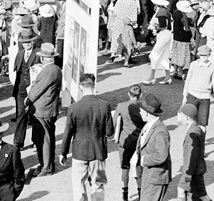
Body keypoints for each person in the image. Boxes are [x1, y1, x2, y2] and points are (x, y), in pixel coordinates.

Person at [60, 73, 114, 201]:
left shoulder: (74, 107)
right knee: (98, 185)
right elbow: (109, 132)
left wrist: (63, 152)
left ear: (80, 86)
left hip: (79, 152)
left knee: (79, 186)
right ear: (94, 85)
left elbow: (68, 132)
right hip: (98, 152)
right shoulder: (104, 105)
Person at [25, 43, 62, 176]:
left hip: (42, 110)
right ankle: (48, 165)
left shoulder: (47, 71)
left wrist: (28, 100)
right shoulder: (56, 69)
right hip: (50, 108)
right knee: (48, 138)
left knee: (43, 140)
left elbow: (36, 91)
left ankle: (46, 167)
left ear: (43, 58)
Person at [136, 94, 172, 201]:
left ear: (147, 114)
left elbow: (161, 155)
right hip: (148, 175)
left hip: (156, 178)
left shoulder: (161, 131)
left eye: (141, 111)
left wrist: (143, 160)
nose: (140, 112)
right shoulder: (148, 125)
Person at [113, 85, 145, 200]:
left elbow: (115, 123)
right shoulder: (143, 107)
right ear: (140, 95)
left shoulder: (121, 106)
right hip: (139, 142)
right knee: (138, 168)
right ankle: (141, 193)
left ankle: (125, 194)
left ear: (128, 94)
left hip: (125, 142)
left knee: (124, 168)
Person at [176, 103, 211, 201]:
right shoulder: (197, 128)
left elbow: (191, 156)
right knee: (201, 196)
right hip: (196, 171)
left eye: (180, 114)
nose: (178, 116)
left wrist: (186, 177)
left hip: (192, 172)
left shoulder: (193, 133)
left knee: (182, 192)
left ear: (187, 117)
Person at [183, 45, 214, 134]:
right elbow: (187, 80)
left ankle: (201, 143)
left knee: (202, 124)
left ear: (209, 55)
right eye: (202, 55)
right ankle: (190, 141)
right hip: (192, 95)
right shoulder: (193, 65)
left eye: (206, 55)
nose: (204, 57)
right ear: (199, 55)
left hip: (205, 97)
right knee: (191, 121)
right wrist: (185, 96)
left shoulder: (212, 67)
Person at [12, 31, 39, 148]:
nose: (27, 44)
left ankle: (36, 140)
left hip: (33, 89)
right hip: (21, 89)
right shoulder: (20, 54)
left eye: (28, 42)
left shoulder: (38, 53)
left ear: (33, 41)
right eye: (24, 42)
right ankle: (18, 142)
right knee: (21, 115)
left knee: (34, 115)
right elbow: (16, 71)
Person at [143, 16, 172, 84]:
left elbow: (157, 49)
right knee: (165, 57)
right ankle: (167, 77)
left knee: (153, 56)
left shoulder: (164, 34)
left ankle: (152, 77)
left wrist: (153, 54)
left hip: (164, 37)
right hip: (165, 35)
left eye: (157, 24)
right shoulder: (165, 32)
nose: (155, 26)